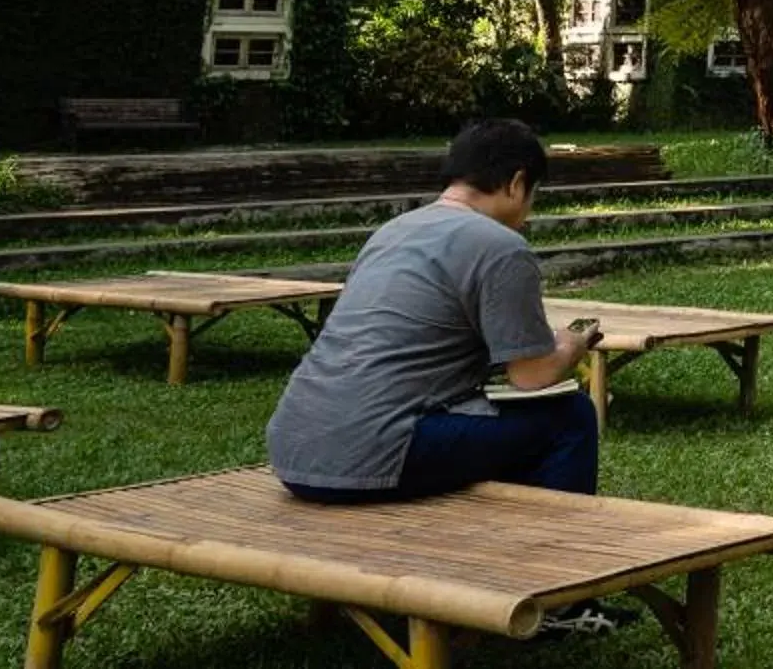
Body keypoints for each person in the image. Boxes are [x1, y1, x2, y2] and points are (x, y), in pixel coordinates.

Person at [265, 120, 630, 632]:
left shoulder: (395, 231)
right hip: (371, 453)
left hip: (293, 449)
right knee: (568, 417)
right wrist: (571, 344)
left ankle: (486, 562)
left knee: (491, 422)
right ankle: (558, 597)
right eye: (533, 195)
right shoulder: (501, 247)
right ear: (517, 183)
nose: (528, 210)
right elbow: (531, 375)